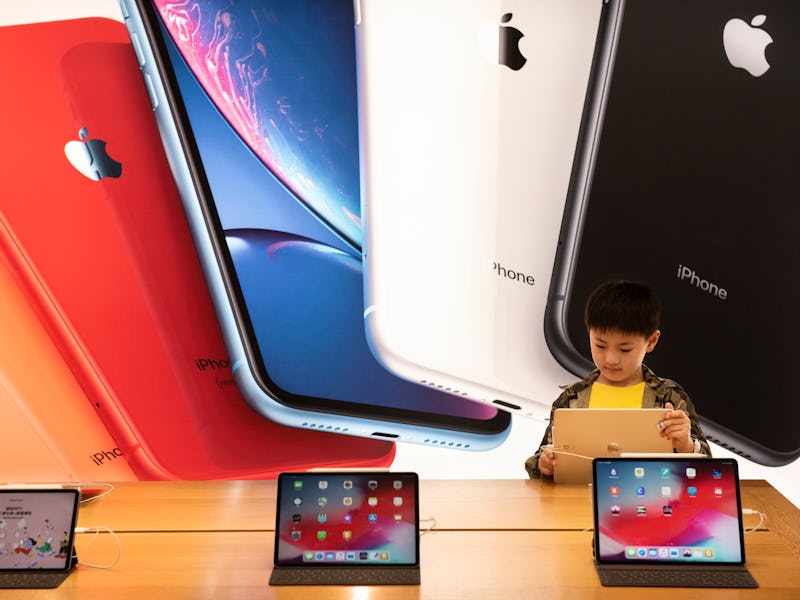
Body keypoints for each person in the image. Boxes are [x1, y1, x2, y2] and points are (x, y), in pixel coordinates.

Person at [526, 280, 710, 480]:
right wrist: (545, 464)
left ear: (651, 341)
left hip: (649, 497)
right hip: (578, 498)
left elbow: (709, 472)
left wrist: (686, 445)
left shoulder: (670, 397)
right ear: (589, 333)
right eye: (600, 345)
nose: (610, 359)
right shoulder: (570, 399)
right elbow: (541, 464)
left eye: (624, 349)